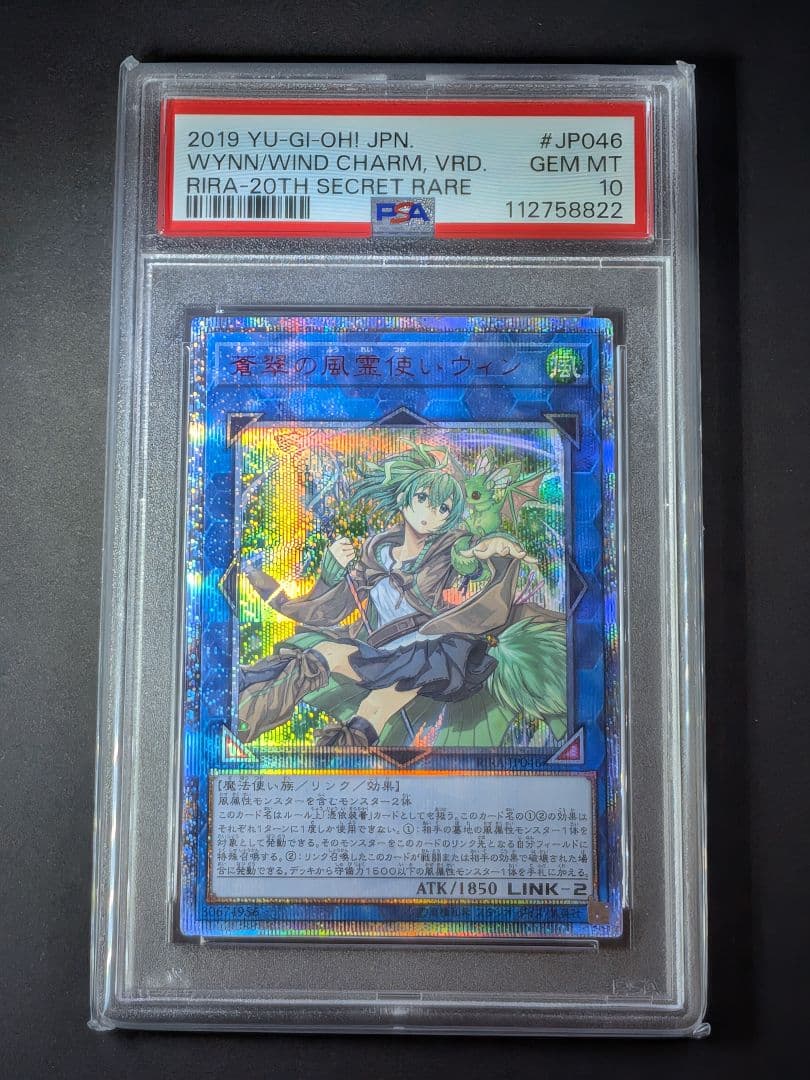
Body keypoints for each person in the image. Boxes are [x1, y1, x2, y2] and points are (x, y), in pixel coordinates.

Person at [237, 443, 566, 747]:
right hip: (380, 650)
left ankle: (333, 770)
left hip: (432, 654)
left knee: (375, 705)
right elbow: (329, 611)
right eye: (423, 498)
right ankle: (243, 705)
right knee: (324, 654)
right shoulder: (375, 554)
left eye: (443, 508)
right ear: (404, 499)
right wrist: (331, 573)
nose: (430, 512)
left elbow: (469, 555)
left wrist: (491, 546)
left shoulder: (449, 549)